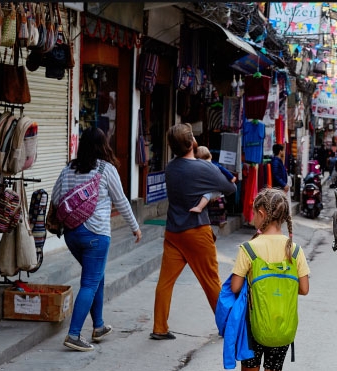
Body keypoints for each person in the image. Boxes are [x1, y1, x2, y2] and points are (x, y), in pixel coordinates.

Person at [230, 188, 310, 371]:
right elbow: (304, 288)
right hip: (283, 327)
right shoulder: (295, 249)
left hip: (254, 326)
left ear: (262, 214)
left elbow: (235, 286)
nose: (253, 217)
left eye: (254, 213)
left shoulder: (249, 249)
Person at [52, 127, 142, 352]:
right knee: (90, 282)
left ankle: (99, 326)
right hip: (96, 234)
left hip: (72, 234)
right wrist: (135, 227)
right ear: (104, 145)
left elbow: (55, 198)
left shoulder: (68, 169)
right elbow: (121, 201)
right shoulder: (106, 169)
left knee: (96, 277)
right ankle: (73, 335)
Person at [151, 123, 237, 340]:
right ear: (192, 142)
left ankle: (159, 327)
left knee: (165, 282)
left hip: (173, 232)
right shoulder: (203, 168)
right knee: (210, 281)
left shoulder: (171, 168)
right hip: (197, 230)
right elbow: (231, 188)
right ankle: (227, 326)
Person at [189, 146, 237, 214]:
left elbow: (224, 170)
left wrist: (232, 177)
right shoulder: (211, 165)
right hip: (214, 190)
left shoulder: (214, 165)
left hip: (215, 191)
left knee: (207, 195)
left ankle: (199, 207)